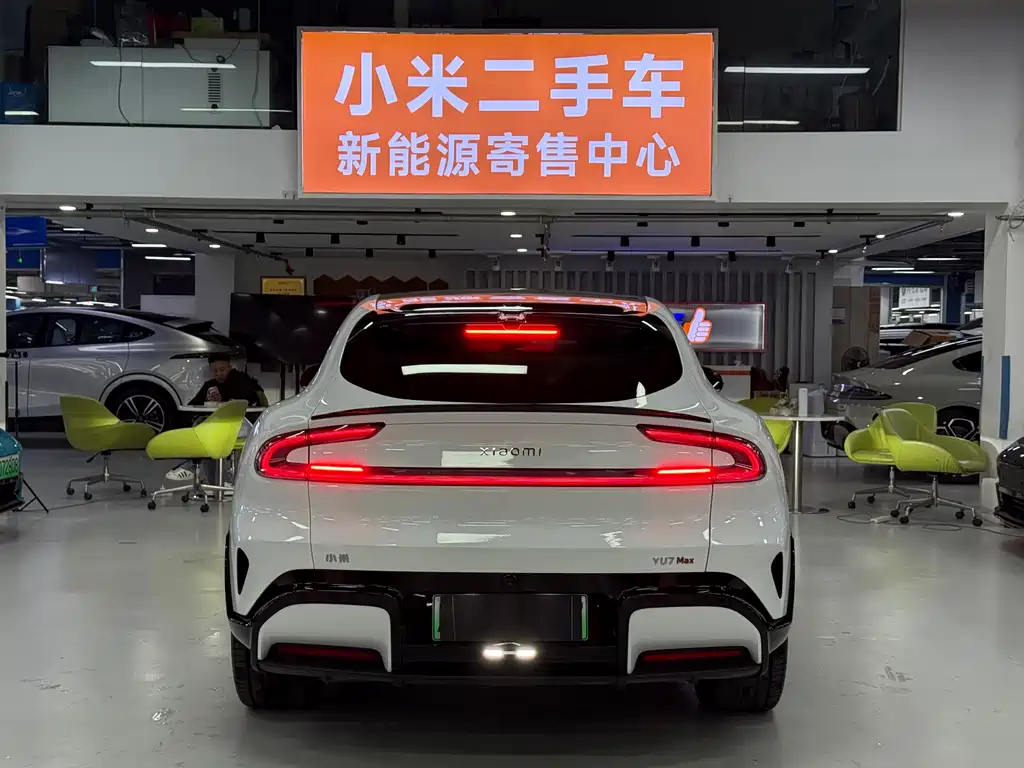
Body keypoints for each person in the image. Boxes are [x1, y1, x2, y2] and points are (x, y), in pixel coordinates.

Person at [189, 353, 263, 407]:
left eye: (222, 369)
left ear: (229, 368)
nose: (218, 373)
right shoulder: (209, 385)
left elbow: (254, 397)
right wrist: (207, 400)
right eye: (215, 370)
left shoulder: (241, 379)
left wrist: (222, 399)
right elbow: (191, 405)